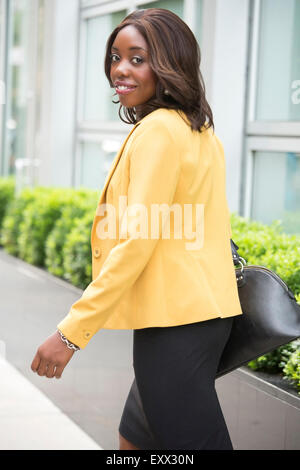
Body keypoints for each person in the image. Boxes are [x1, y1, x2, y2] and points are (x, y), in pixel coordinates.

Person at [31, 8, 243, 450]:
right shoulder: (197, 128)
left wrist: (71, 333)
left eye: (137, 58)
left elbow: (136, 242)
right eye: (115, 57)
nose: (119, 70)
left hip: (177, 324)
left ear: (169, 63)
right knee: (134, 439)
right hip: (197, 316)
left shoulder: (160, 132)